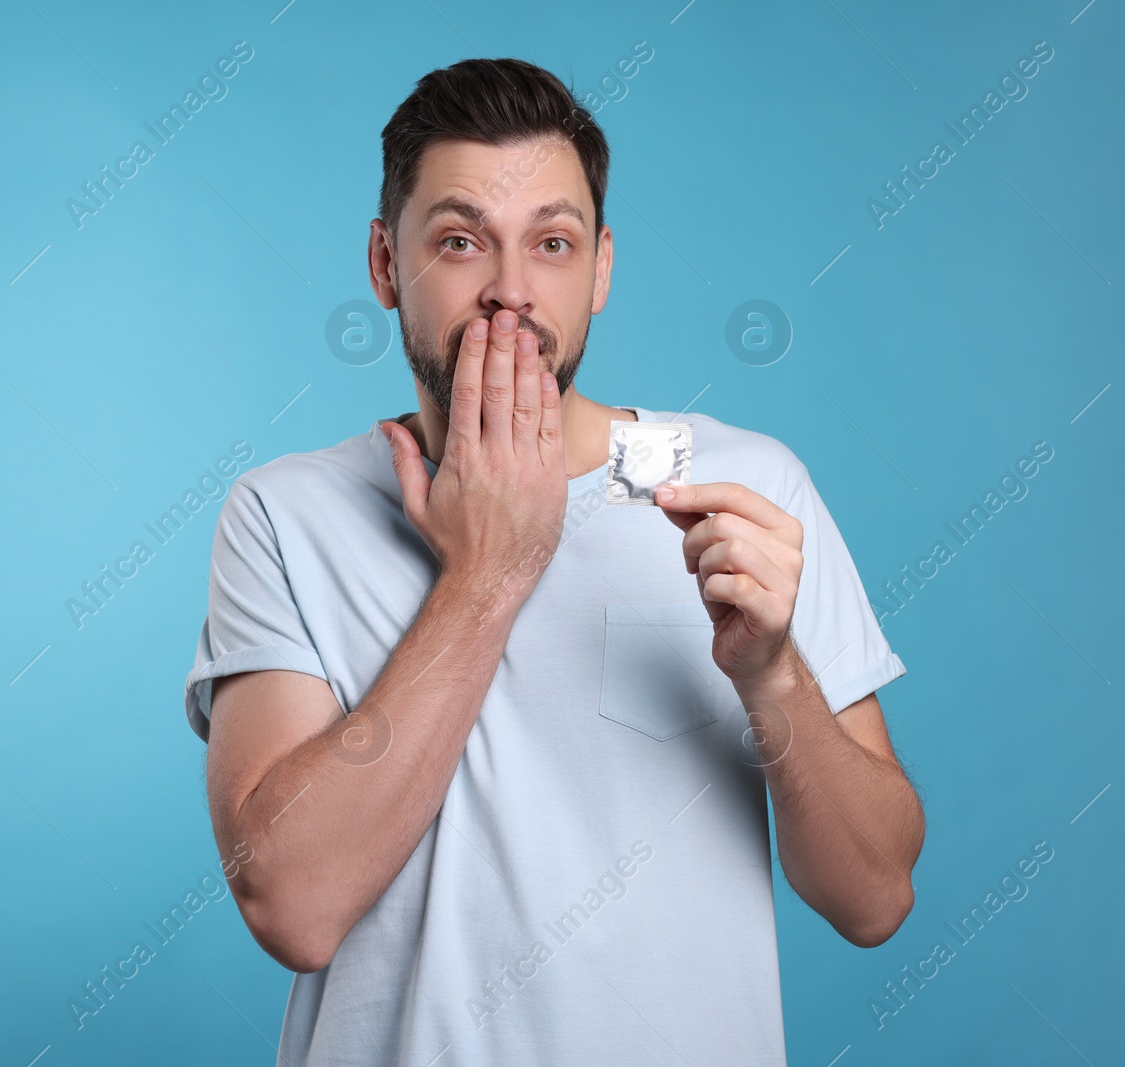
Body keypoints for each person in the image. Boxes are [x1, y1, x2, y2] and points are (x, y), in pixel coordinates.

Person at [183, 56, 924, 1066]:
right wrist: (487, 573)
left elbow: (876, 896)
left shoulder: (730, 486)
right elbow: (292, 904)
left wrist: (772, 674)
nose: (510, 291)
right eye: (458, 240)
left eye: (552, 242)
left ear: (601, 268)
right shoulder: (290, 511)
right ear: (384, 264)